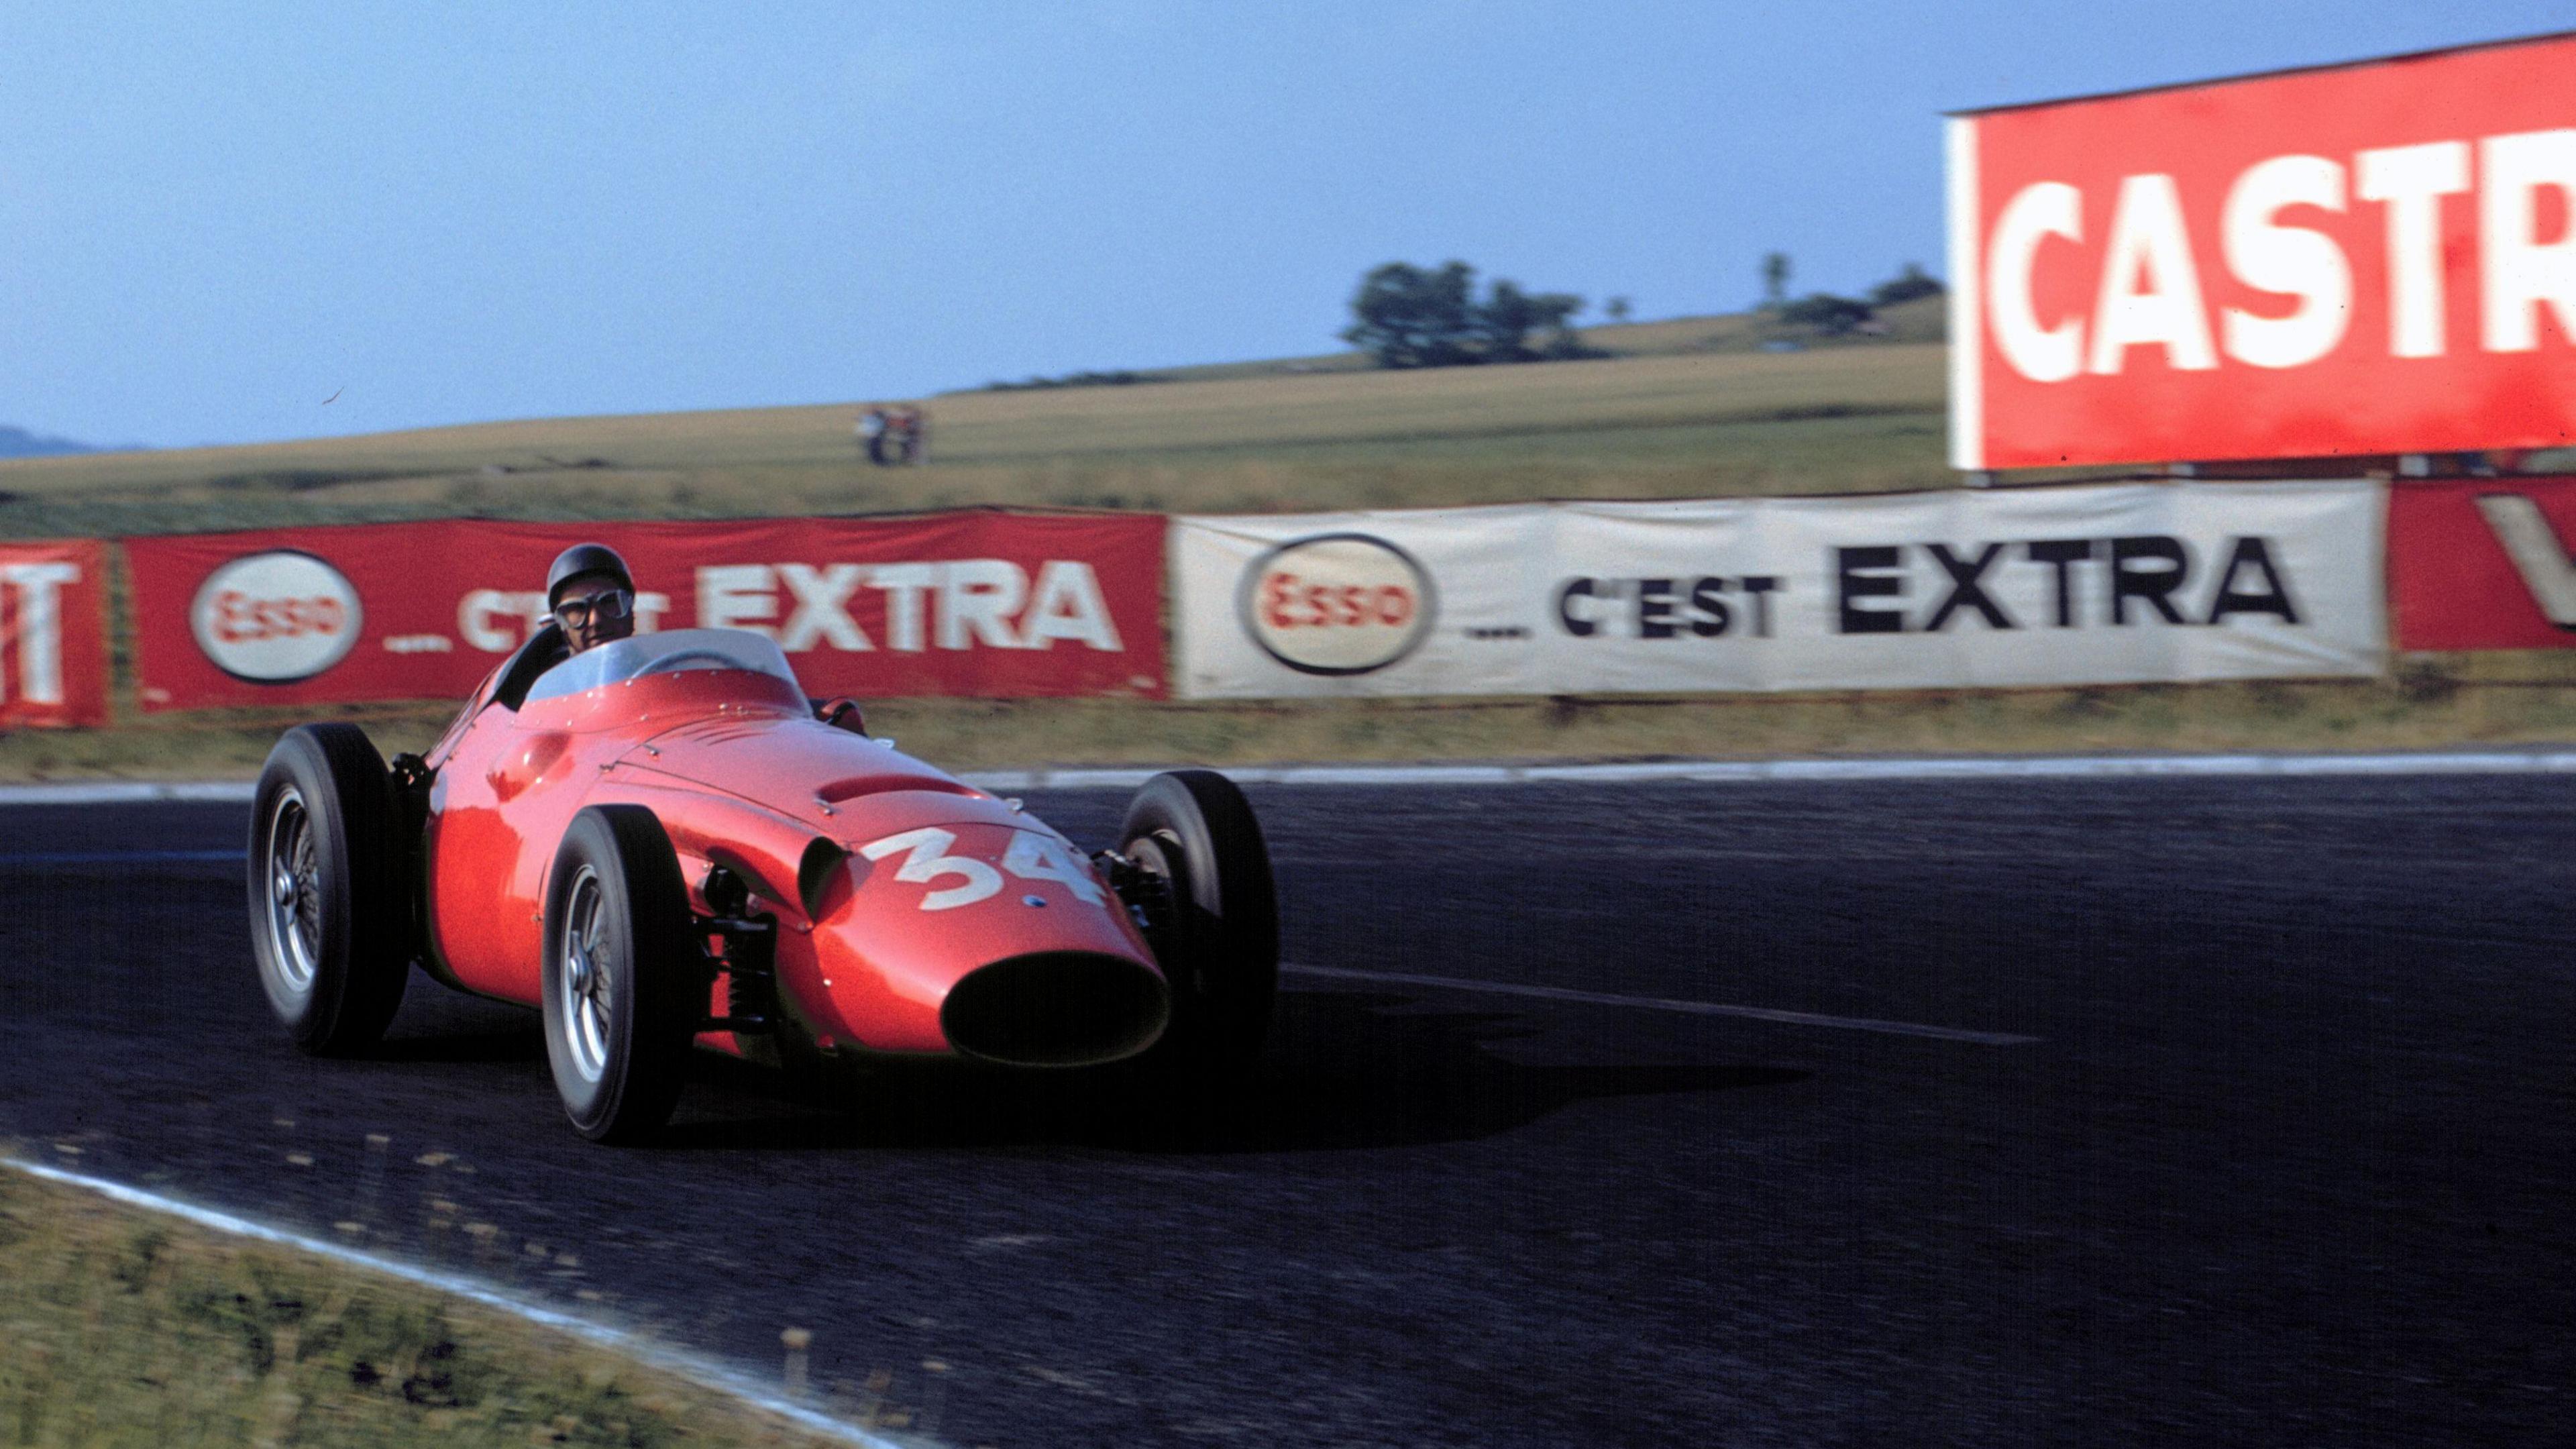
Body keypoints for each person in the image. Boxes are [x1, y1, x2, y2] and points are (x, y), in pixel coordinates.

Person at [545, 543, 637, 655]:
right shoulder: (549, 672)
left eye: (609, 602)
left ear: (631, 612)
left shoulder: (659, 668)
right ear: (563, 628)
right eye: (578, 609)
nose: (595, 620)